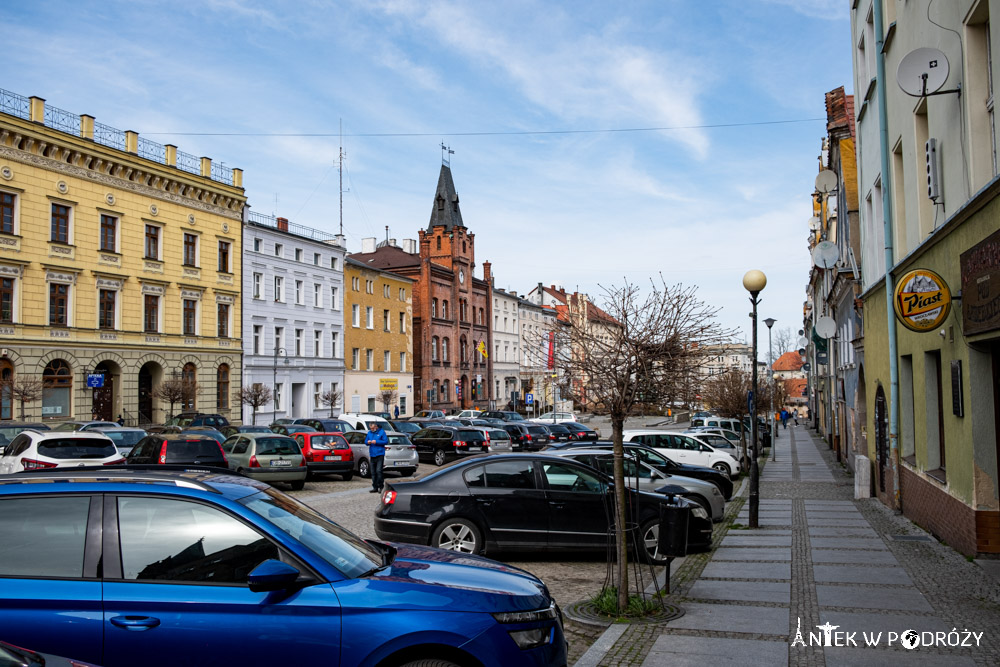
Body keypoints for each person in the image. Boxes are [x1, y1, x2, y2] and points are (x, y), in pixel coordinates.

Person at [365, 421, 388, 493]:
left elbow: (386, 441)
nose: (371, 429)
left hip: (380, 454)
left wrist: (377, 441)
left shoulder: (382, 432)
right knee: (373, 472)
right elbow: (365, 441)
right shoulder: (369, 433)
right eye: (370, 428)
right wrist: (367, 442)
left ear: (376, 427)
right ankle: (375, 487)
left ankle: (381, 486)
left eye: (372, 428)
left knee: (379, 471)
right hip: (372, 454)